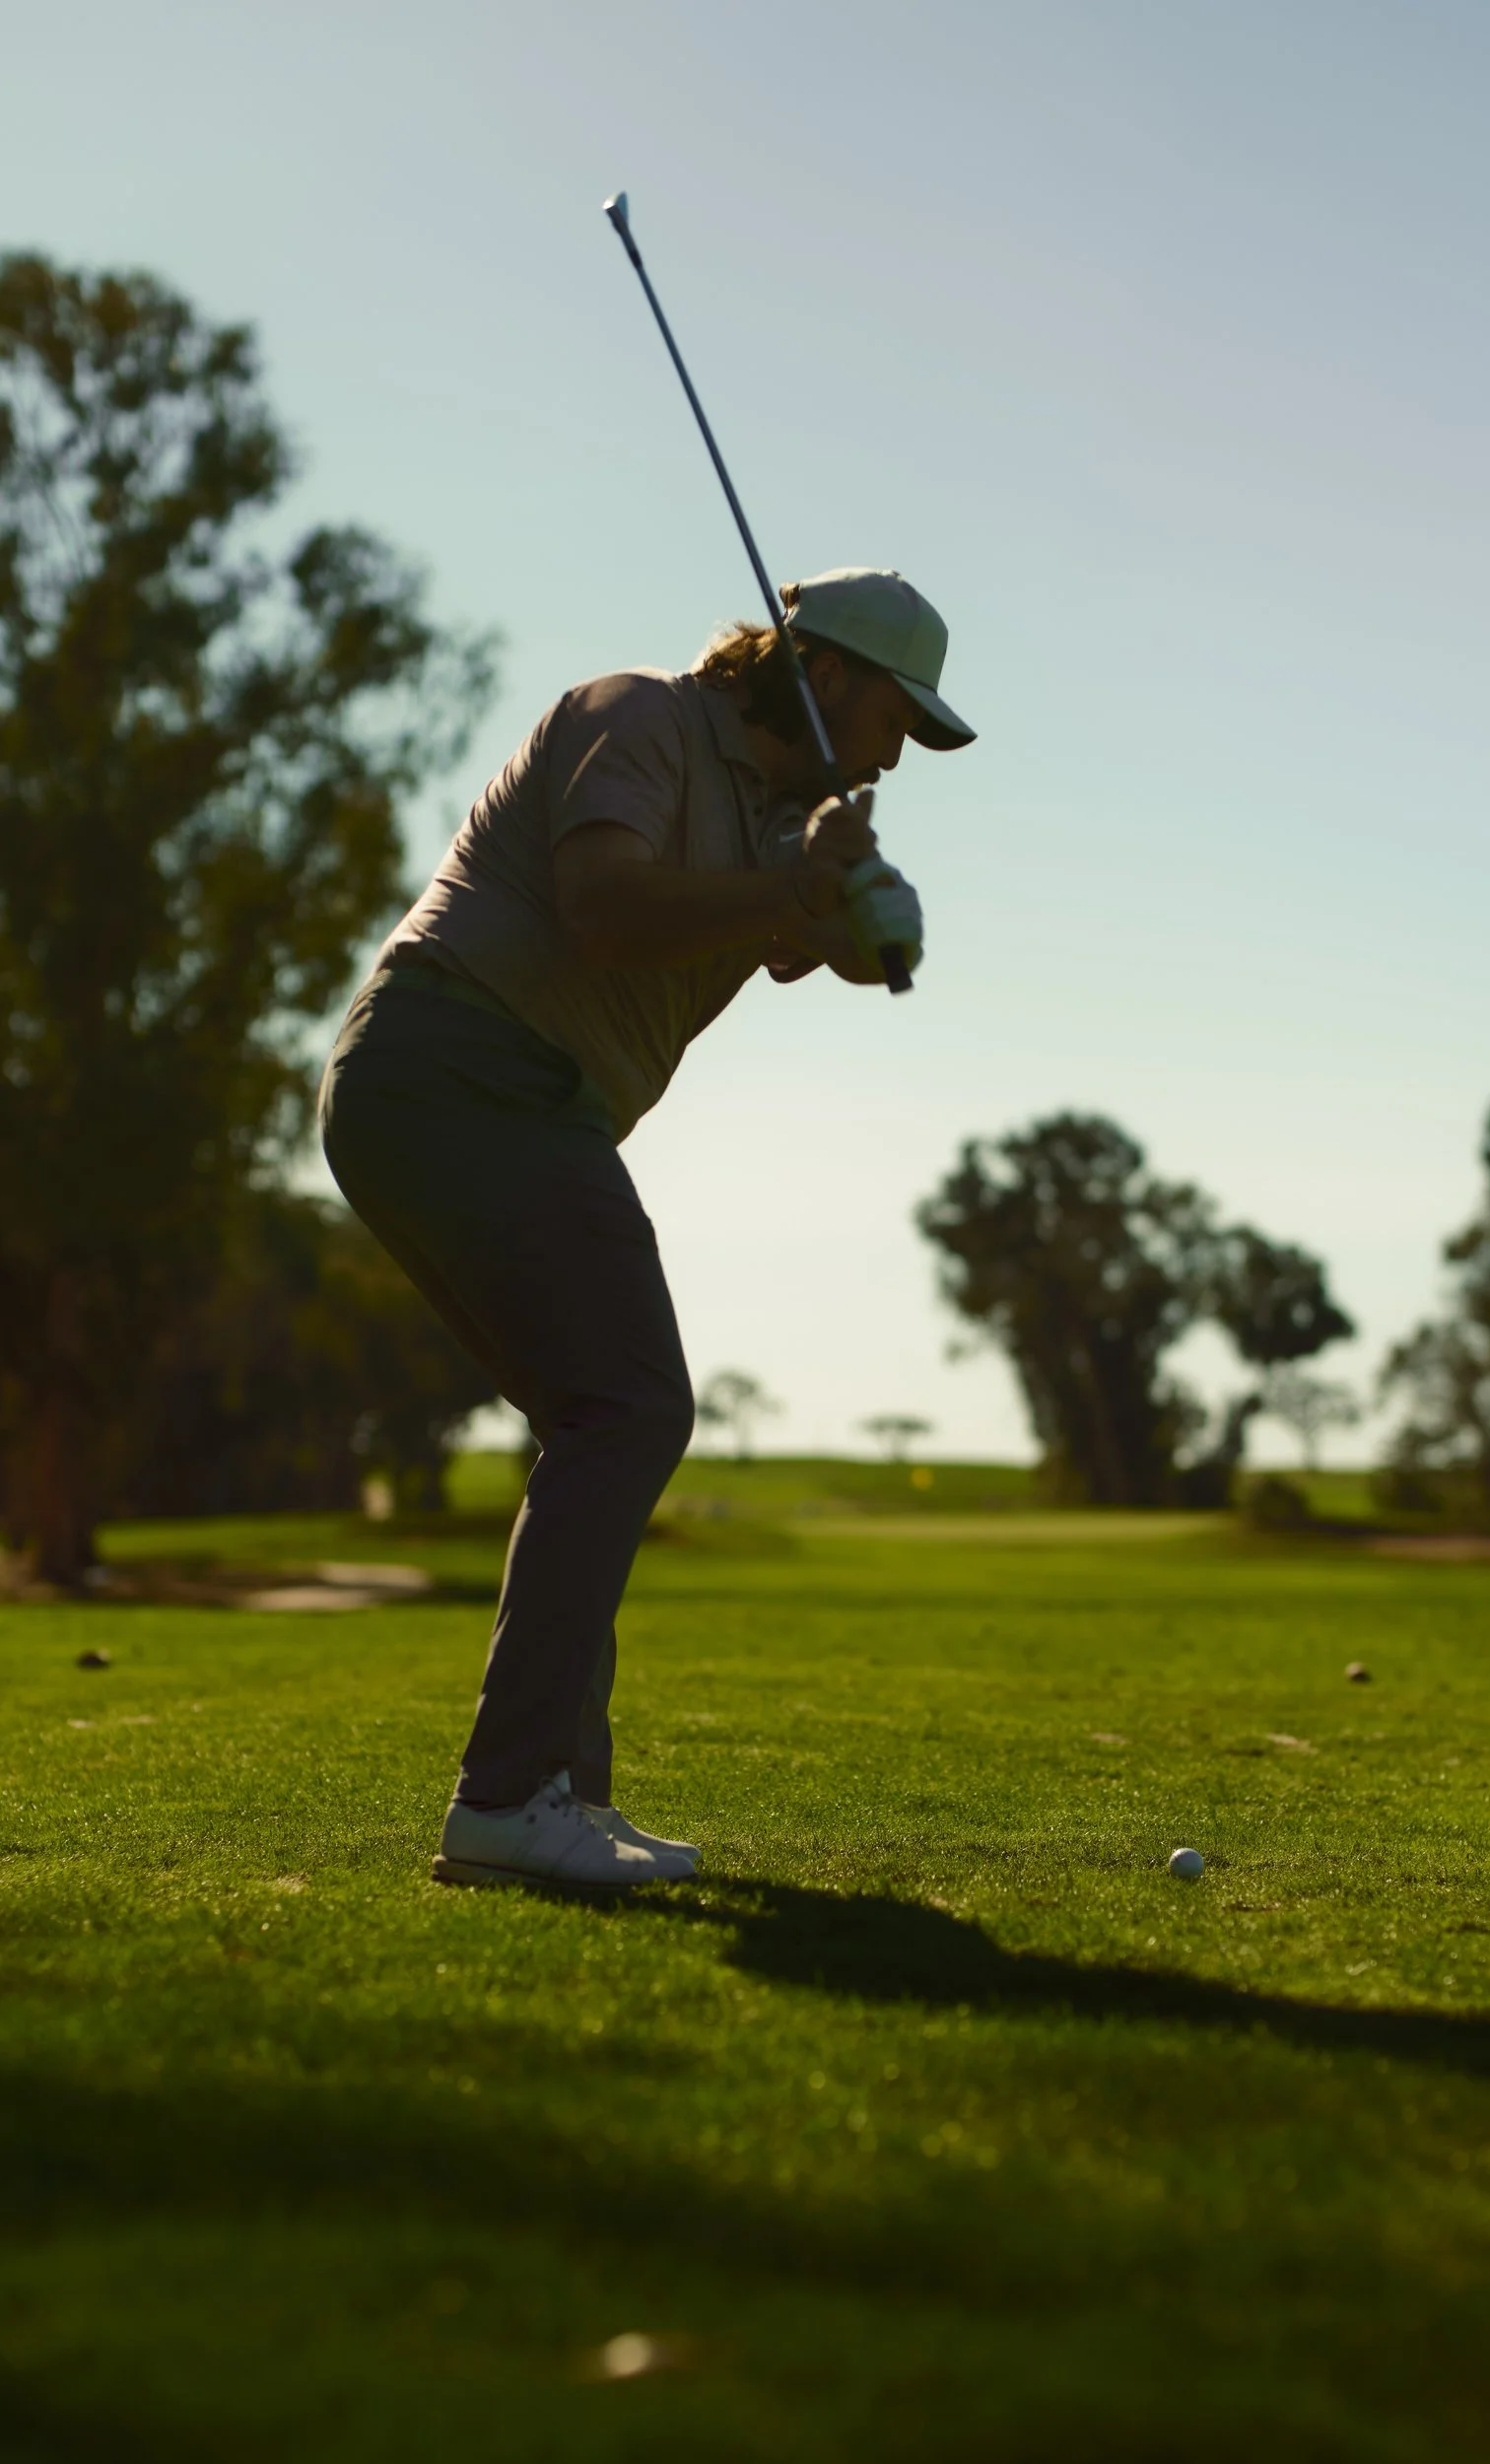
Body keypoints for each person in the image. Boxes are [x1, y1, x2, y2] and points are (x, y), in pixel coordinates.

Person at [318, 568, 975, 1890]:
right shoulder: (641, 718)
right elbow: (606, 910)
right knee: (628, 1404)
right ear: (822, 673)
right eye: (895, 715)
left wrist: (857, 904)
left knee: (598, 1416)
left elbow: (825, 950)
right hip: (456, 1059)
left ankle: (558, 1797)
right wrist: (800, 877)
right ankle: (509, 1800)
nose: (901, 751)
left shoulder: (780, 815)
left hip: (506, 1099)